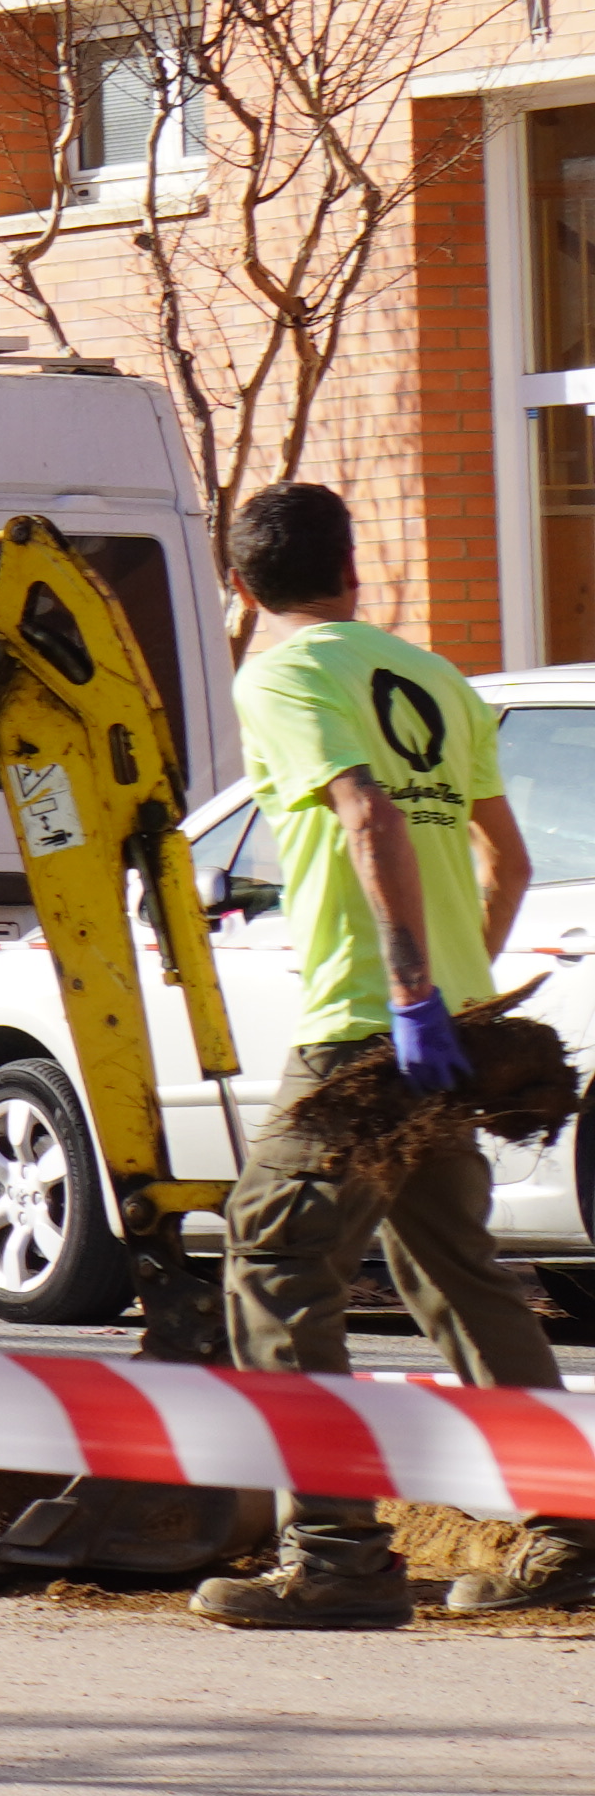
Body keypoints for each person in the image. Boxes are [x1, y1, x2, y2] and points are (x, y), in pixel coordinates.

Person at [193, 482, 593, 1626]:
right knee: (461, 1279)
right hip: (443, 1034)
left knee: (274, 1268)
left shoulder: (279, 676)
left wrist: (408, 994)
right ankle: (571, 1534)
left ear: (240, 585)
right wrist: (459, 1001)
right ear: (351, 568)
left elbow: (365, 813)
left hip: (365, 1032)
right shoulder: (432, 676)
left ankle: (334, 1556)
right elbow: (503, 860)